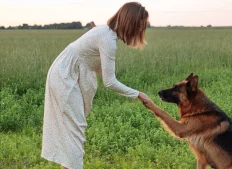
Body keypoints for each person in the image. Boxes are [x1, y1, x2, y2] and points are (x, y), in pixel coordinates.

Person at [41, 2, 151, 169]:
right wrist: (137, 94)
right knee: (75, 131)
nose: (141, 30)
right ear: (131, 22)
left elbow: (94, 65)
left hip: (69, 73)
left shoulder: (106, 33)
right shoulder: (108, 39)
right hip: (64, 76)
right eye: (140, 26)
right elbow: (109, 82)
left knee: (74, 130)